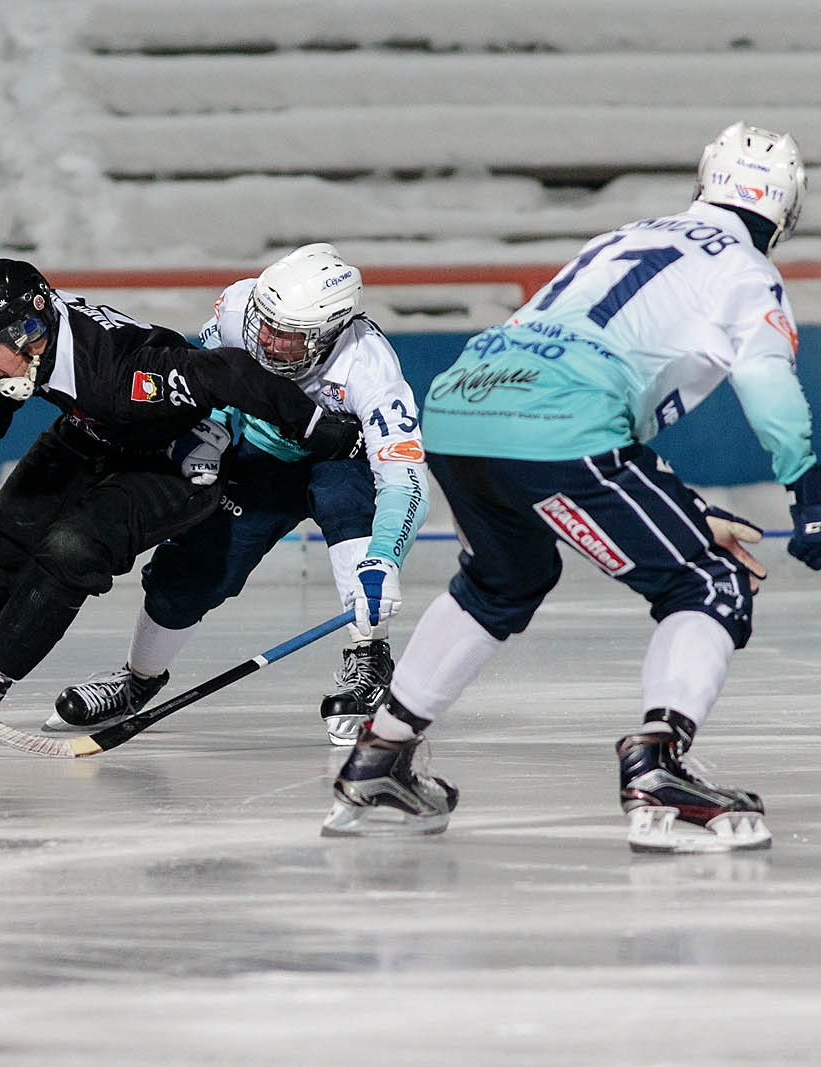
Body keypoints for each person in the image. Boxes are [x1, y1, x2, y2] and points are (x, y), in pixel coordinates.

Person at [321, 121, 821, 854]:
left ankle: (381, 757)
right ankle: (657, 768)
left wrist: (680, 509)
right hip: (562, 421)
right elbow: (770, 390)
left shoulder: (623, 237)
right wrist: (810, 499)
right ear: (786, 213)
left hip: (463, 402)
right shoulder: (747, 272)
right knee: (709, 582)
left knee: (502, 579)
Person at [0, 257, 364, 743]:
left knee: (71, 549)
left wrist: (321, 430)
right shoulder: (27, 344)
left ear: (31, 330)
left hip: (173, 459)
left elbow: (232, 371)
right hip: (93, 431)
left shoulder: (127, 375)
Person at [50, 243, 429, 744]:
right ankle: (137, 679)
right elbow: (208, 380)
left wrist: (384, 557)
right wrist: (212, 430)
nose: (266, 341)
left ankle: (368, 657)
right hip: (263, 454)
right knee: (189, 571)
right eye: (263, 323)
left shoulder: (370, 369)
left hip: (339, 457)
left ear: (330, 333)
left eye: (287, 337)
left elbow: (406, 479)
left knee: (349, 508)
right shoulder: (236, 309)